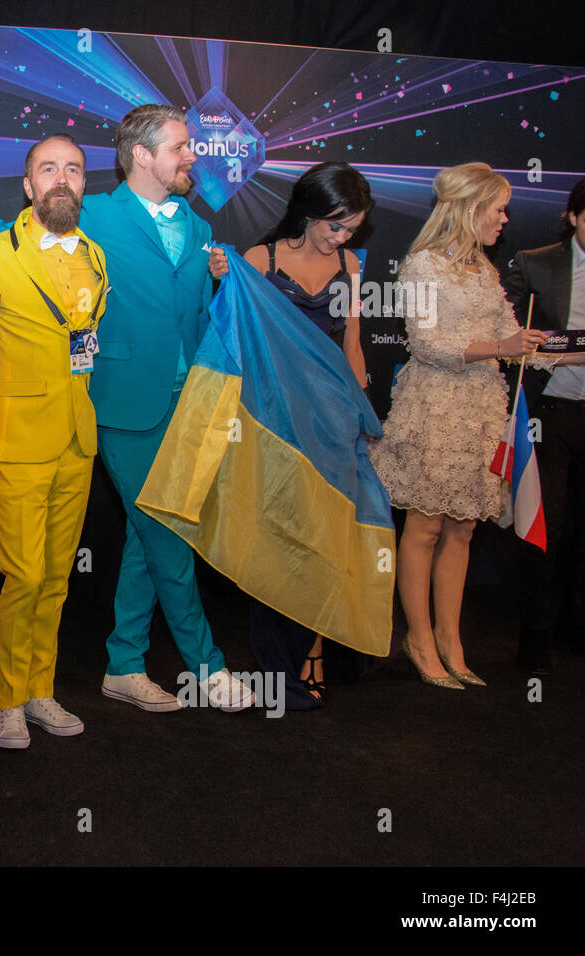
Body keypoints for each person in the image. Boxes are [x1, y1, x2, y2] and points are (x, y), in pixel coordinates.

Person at [369, 162, 585, 688]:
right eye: (499, 209)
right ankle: (418, 639)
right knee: (424, 527)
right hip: (435, 407)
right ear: (470, 209)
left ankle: (451, 638)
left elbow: (519, 340)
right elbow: (425, 345)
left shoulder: (486, 271)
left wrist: (567, 349)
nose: (505, 220)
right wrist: (501, 347)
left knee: (462, 529)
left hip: (482, 411)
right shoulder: (422, 264)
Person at [77, 105, 253, 713]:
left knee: (143, 532)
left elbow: (200, 314)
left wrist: (221, 282)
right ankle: (207, 666)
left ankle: (124, 662)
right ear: (141, 155)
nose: (192, 157)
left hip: (191, 400)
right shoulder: (92, 214)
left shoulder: (200, 228)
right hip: (124, 401)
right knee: (167, 529)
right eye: (180, 147)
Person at [0, 134, 109, 748]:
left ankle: (40, 691)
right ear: (28, 185)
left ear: (85, 184)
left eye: (75, 170)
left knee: (57, 578)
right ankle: (7, 699)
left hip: (75, 440)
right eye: (48, 169)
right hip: (16, 440)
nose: (63, 179)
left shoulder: (96, 257)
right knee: (22, 575)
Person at [242, 161, 374, 707]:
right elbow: (242, 346)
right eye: (333, 226)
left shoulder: (349, 265)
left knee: (324, 540)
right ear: (308, 212)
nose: (340, 238)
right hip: (275, 420)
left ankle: (314, 650)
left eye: (350, 230)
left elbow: (352, 344)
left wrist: (361, 413)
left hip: (330, 420)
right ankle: (275, 668)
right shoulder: (259, 260)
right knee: (278, 543)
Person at [502, 177, 585, 675]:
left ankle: (576, 628)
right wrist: (543, 345)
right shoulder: (536, 262)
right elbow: (500, 327)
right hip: (549, 414)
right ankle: (534, 642)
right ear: (573, 217)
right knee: (543, 527)